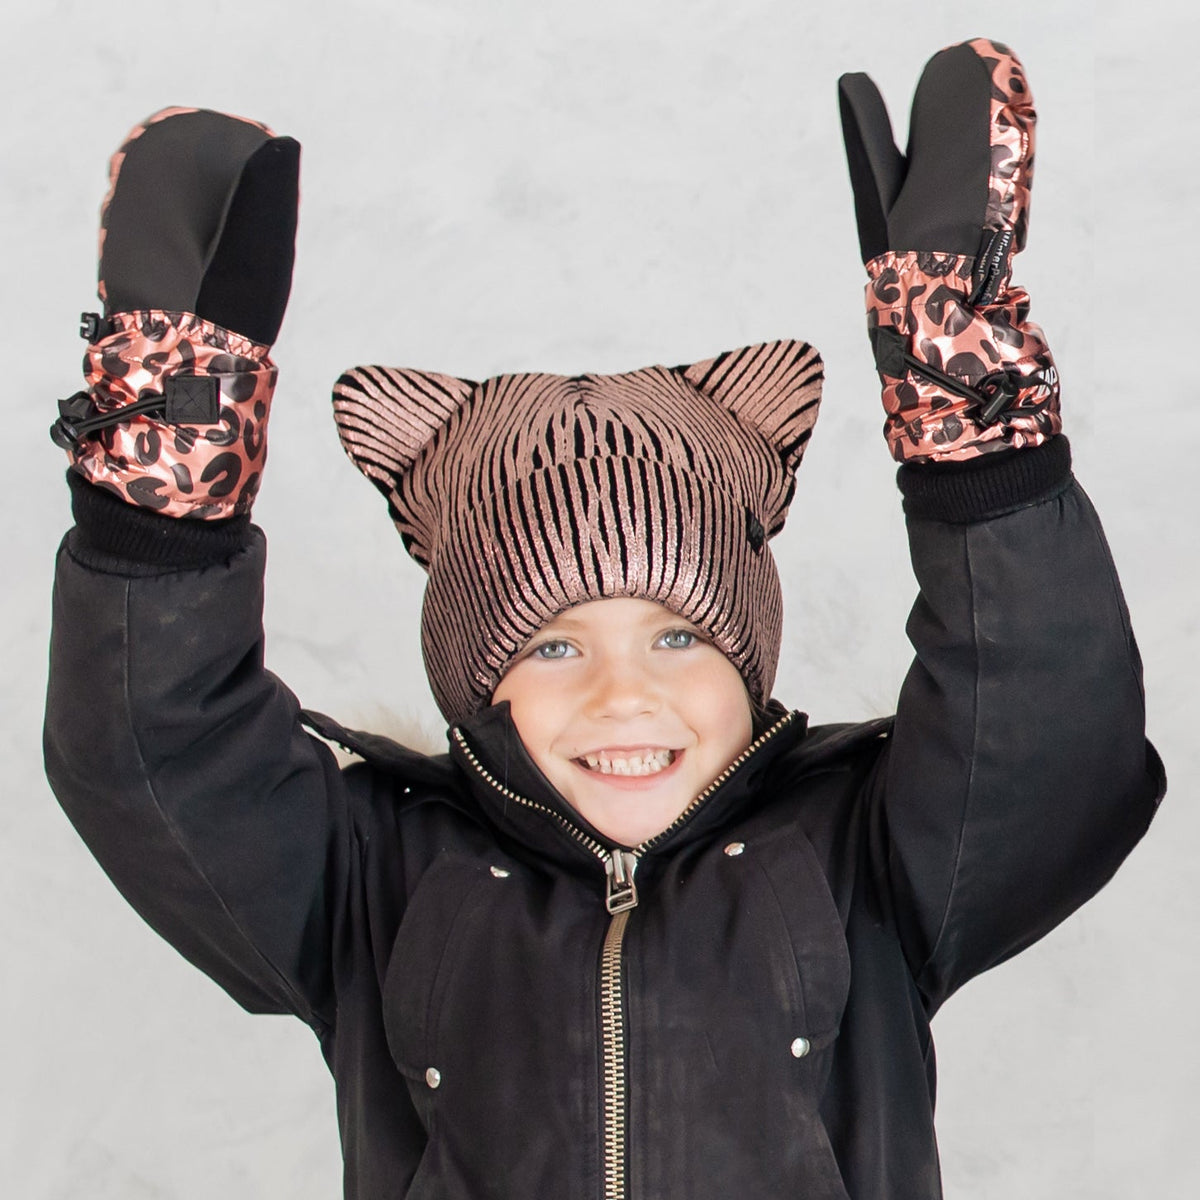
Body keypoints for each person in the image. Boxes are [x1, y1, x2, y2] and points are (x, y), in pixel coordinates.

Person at [43, 38, 1163, 1200]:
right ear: (478, 682)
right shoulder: (377, 876)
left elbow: (1046, 731)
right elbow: (153, 755)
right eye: (553, 642)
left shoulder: (866, 862)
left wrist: (968, 405)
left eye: (679, 636)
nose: (622, 695)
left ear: (751, 667)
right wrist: (163, 467)